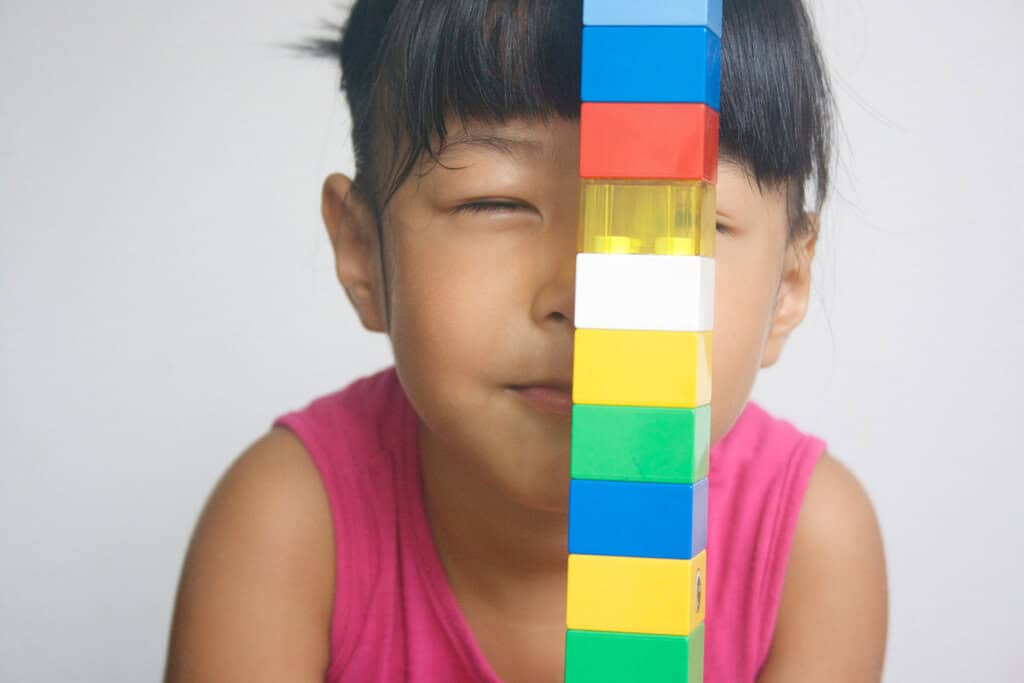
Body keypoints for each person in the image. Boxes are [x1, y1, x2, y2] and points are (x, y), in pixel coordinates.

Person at [164, 0, 888, 680]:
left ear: (789, 283)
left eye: (676, 218)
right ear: (362, 252)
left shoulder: (812, 548)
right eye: (496, 201)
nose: (586, 297)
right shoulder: (285, 526)